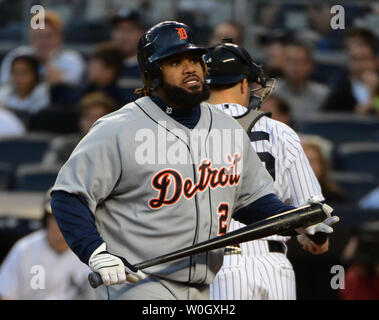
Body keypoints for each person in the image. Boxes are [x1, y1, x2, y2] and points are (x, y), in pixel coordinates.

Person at [50, 21, 337, 300]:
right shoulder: (118, 128)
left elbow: (254, 202)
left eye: (194, 58)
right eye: (175, 62)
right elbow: (68, 195)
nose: (190, 67)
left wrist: (296, 220)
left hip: (204, 287)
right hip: (139, 282)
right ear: (153, 75)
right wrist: (95, 252)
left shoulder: (227, 128)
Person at [204, 41, 336, 300]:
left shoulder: (186, 134)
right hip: (274, 266)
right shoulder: (281, 131)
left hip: (216, 265)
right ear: (244, 83)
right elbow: (315, 217)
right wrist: (314, 238)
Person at [0, 189, 95, 300]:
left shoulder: (93, 255)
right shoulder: (24, 249)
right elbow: (5, 295)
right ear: (46, 219)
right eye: (56, 216)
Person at [0, 10, 85, 86]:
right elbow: (5, 85)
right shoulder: (18, 56)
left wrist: (56, 77)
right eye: (39, 36)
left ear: (60, 38)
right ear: (31, 38)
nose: (44, 42)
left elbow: (71, 86)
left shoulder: (71, 59)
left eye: (49, 36)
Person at [42, 92, 117, 167]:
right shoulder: (61, 145)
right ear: (80, 120)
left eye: (99, 118)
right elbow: (48, 174)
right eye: (89, 117)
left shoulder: (118, 149)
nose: (93, 122)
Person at [323, 28, 379, 115]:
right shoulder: (339, 93)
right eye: (354, 59)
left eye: (364, 58)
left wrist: (373, 95)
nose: (360, 65)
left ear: (376, 61)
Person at [274, 41, 330, 120]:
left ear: (310, 65)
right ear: (283, 64)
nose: (294, 67)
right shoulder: (271, 92)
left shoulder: (323, 94)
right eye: (290, 61)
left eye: (300, 62)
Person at [110, 9, 145, 104]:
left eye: (131, 29)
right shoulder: (105, 64)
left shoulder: (150, 68)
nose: (123, 35)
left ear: (142, 33)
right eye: (118, 29)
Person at [0, 55, 50, 120]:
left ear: (35, 75)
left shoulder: (41, 92)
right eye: (14, 72)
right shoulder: (5, 91)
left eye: (24, 73)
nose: (18, 78)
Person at [301, 138, 347, 204]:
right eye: (306, 161)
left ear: (322, 165)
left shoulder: (336, 196)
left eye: (314, 161)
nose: (311, 166)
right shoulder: (287, 197)